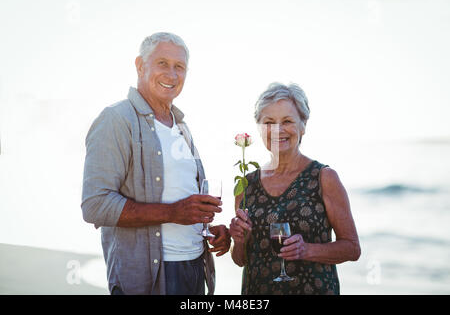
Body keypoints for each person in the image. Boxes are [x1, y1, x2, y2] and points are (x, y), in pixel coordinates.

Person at [81, 32, 230, 295]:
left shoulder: (182, 127)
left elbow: (184, 199)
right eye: (162, 63)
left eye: (179, 67)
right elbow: (95, 205)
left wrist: (207, 229)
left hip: (196, 267)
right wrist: (173, 213)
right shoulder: (116, 119)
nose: (172, 75)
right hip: (151, 276)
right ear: (140, 65)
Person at [229, 82, 360, 295]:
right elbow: (240, 259)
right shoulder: (246, 184)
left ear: (303, 125)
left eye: (287, 121)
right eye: (269, 122)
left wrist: (307, 250)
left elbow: (352, 248)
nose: (278, 130)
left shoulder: (324, 177)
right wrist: (238, 240)